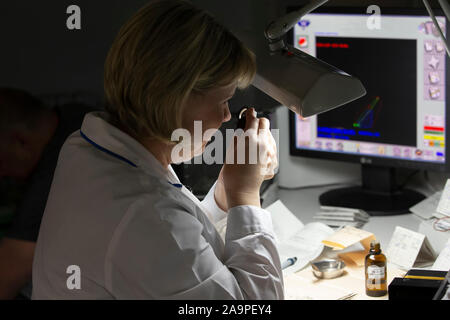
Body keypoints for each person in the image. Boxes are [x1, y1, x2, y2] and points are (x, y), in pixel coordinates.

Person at [32, 0, 282, 299]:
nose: (227, 117)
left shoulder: (88, 147)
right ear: (176, 99)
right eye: (223, 100)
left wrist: (228, 192)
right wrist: (246, 197)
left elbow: (187, 243)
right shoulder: (144, 215)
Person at [0, 88, 95, 299]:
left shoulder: (60, 167)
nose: (2, 174)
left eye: (1, 163)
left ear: (20, 142)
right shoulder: (76, 115)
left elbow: (6, 277)